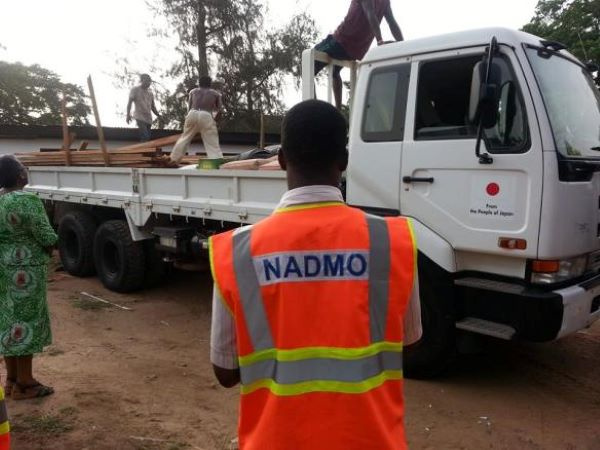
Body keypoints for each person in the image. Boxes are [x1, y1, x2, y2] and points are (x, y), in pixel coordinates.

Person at [209, 100, 422, 449]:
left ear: (280, 161)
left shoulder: (238, 251)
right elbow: (410, 345)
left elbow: (226, 372)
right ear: (344, 160)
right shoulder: (391, 241)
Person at [0, 156, 57, 400]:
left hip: (4, 268)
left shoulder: (0, 200)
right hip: (26, 272)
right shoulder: (28, 201)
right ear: (19, 176)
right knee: (26, 322)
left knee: (10, 321)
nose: (27, 171)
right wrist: (54, 244)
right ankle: (26, 383)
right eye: (24, 168)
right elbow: (45, 236)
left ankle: (11, 380)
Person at [314, 0, 404, 108]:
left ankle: (313, 107)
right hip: (357, 50)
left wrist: (380, 41)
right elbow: (391, 22)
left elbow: (370, 14)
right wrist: (403, 44)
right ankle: (338, 109)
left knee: (309, 62)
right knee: (335, 72)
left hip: (341, 40)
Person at [169, 76, 224, 164]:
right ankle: (216, 159)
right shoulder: (215, 94)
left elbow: (189, 107)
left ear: (199, 83)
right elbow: (219, 110)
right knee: (211, 140)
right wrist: (214, 121)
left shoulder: (193, 91)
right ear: (210, 84)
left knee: (185, 138)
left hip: (192, 113)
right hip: (206, 114)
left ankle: (173, 159)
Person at [126, 74, 161, 142]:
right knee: (145, 136)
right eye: (147, 81)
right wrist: (128, 115)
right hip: (139, 116)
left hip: (148, 118)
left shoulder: (150, 93)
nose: (149, 83)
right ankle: (144, 150)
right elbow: (129, 103)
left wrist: (159, 115)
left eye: (150, 81)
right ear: (142, 80)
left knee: (146, 138)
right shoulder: (135, 90)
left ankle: (144, 150)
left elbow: (153, 107)